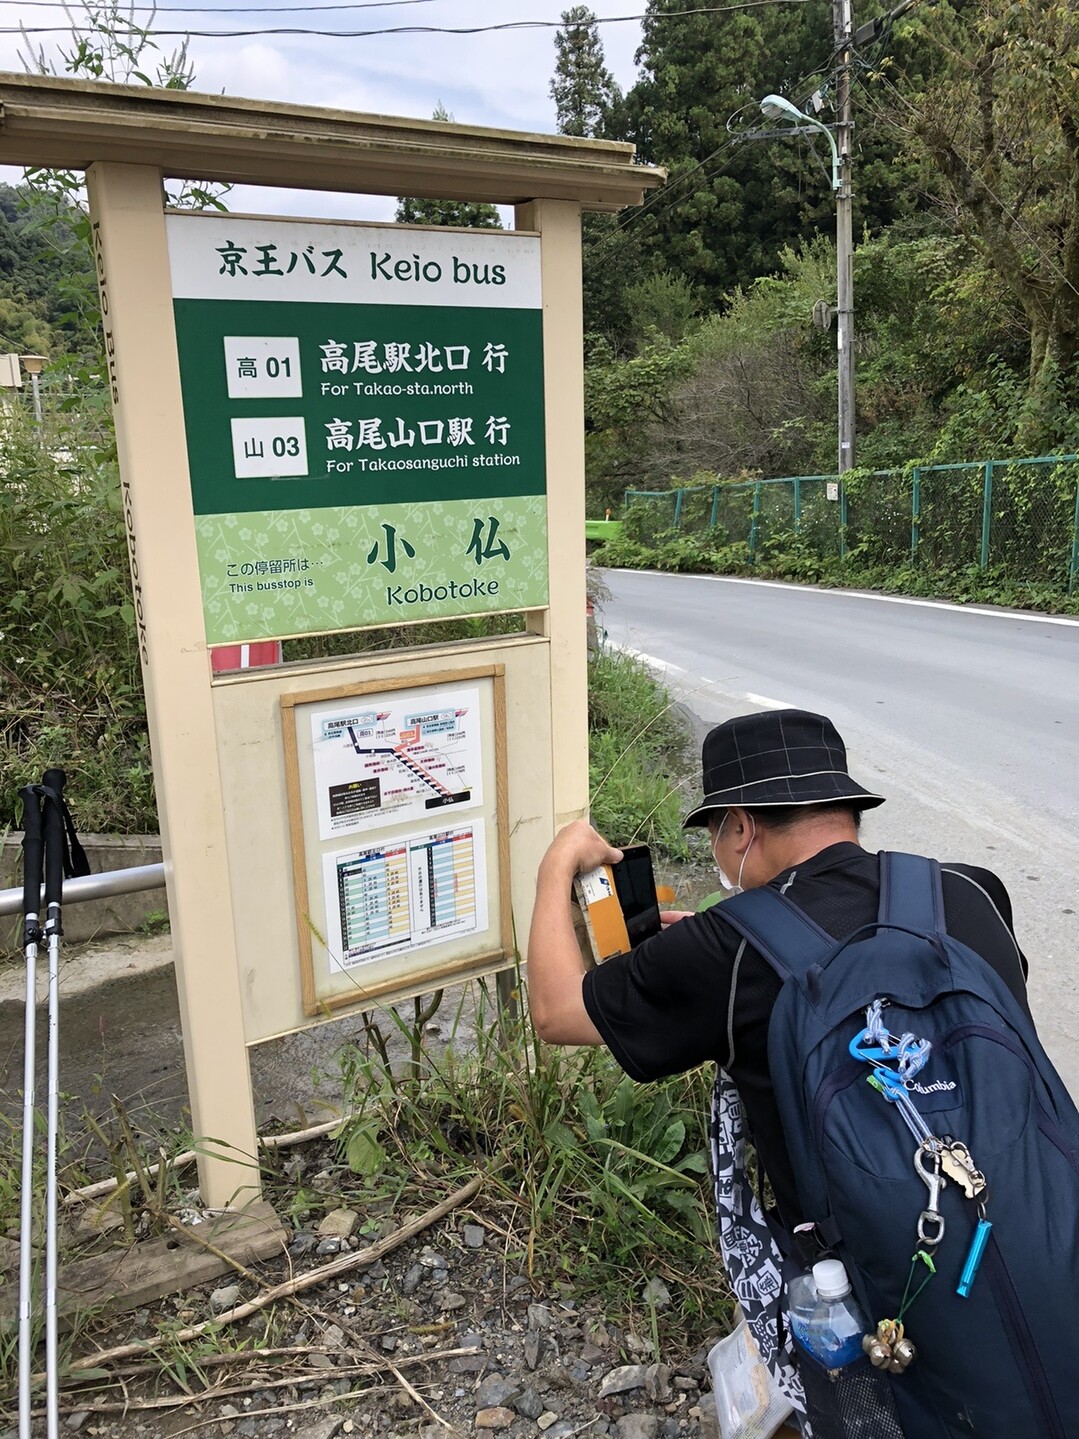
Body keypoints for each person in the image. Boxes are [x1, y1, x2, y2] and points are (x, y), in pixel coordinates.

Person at [526, 707, 1031, 1433]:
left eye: (713, 835)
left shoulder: (725, 951)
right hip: (1020, 1224)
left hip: (873, 1285)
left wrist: (553, 872)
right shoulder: (971, 890)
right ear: (845, 809)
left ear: (739, 826)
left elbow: (556, 1010)